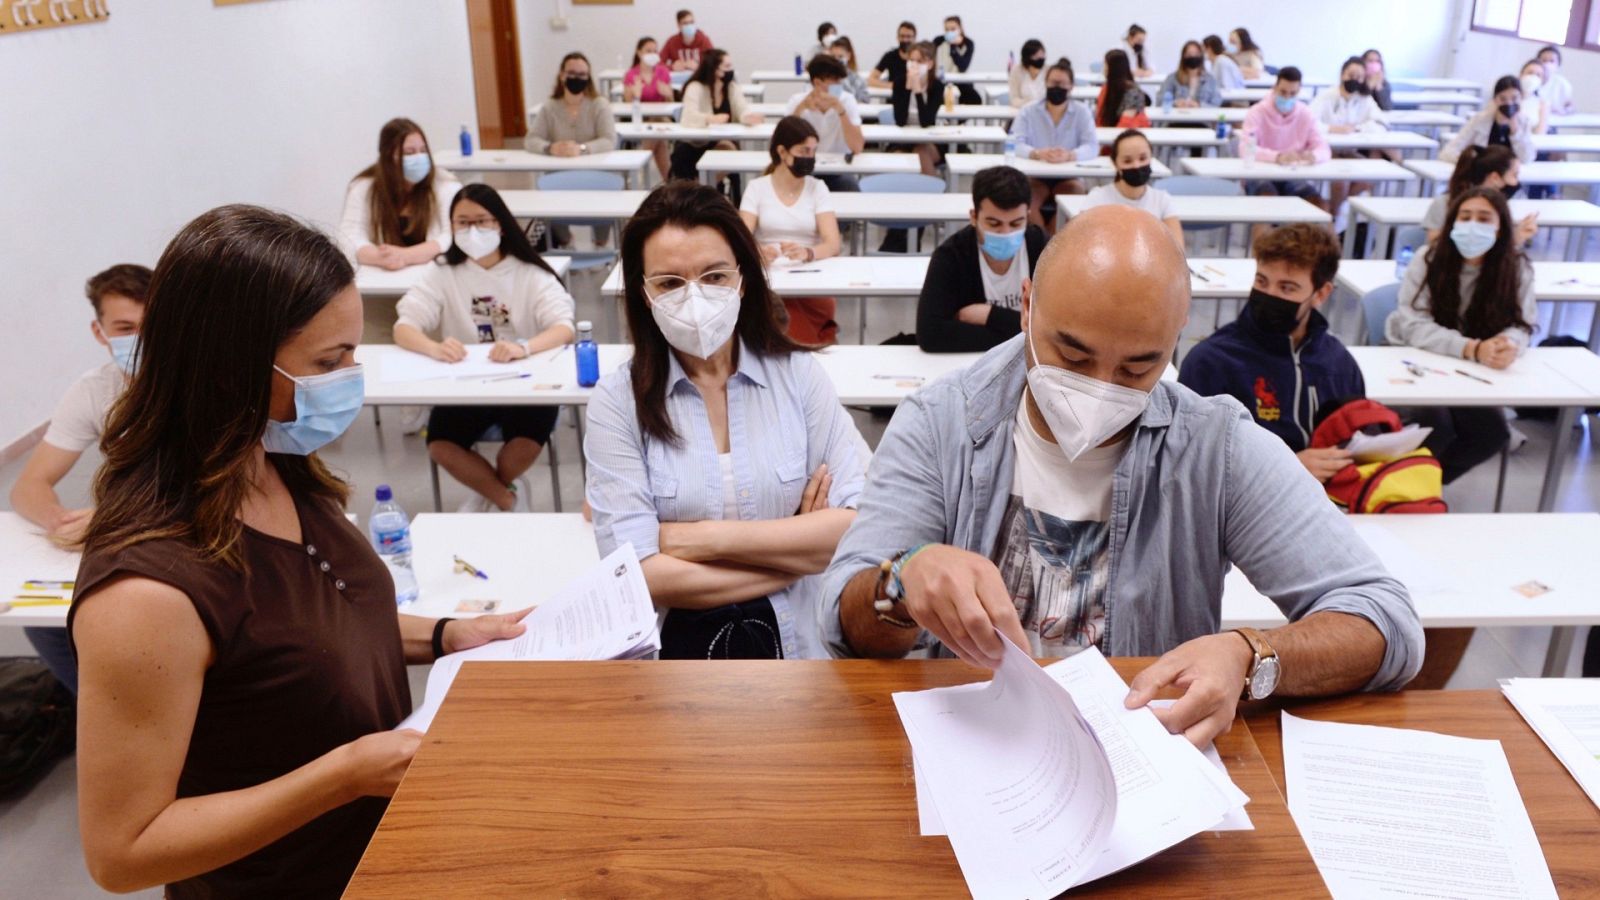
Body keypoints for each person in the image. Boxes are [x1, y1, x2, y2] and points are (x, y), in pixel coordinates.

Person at [820, 205, 1423, 751]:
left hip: (1139, 754)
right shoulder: (941, 423)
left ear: (1174, 343)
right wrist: (900, 581)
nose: (1100, 387)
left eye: (1138, 367)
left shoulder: (1214, 447)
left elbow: (1384, 620)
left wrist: (1249, 654)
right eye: (1073, 357)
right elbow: (845, 624)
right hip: (969, 742)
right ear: (1027, 306)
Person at [69, 204, 531, 897]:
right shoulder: (147, 594)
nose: (352, 374)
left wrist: (443, 634)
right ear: (231, 368)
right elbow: (123, 851)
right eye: (330, 359)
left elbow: (301, 626)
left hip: (377, 858)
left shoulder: (274, 464)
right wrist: (343, 777)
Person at [585, 181, 868, 660]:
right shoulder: (618, 401)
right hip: (680, 653)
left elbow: (859, 530)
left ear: (743, 278)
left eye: (714, 276)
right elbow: (639, 576)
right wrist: (797, 553)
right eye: (670, 283)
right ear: (644, 294)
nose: (694, 298)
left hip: (801, 646)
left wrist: (697, 539)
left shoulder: (798, 377)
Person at [10, 264, 150, 695]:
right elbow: (29, 486)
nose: (141, 340)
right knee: (49, 625)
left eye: (152, 325)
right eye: (124, 328)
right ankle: (107, 721)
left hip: (195, 532)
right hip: (130, 539)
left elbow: (218, 488)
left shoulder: (206, 383)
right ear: (99, 331)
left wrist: (115, 520)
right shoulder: (96, 390)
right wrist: (58, 521)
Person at [393, 184, 576, 512]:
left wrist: (524, 347)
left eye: (482, 221)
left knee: (520, 447)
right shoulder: (442, 273)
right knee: (440, 445)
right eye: (462, 222)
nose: (472, 230)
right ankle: (505, 497)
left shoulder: (529, 272)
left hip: (526, 384)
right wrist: (433, 347)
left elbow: (564, 327)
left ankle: (489, 490)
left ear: (500, 224)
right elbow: (404, 327)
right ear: (451, 226)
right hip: (467, 386)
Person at [1180, 224, 1361, 483]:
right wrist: (1286, 469)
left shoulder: (1340, 364)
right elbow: (1191, 465)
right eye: (1262, 281)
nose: (1269, 295)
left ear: (1321, 294)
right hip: (1247, 510)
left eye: (1287, 288)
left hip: (1332, 503)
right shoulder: (1211, 361)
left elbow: (1354, 441)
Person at [1385, 187, 1537, 483]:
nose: (1472, 225)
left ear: (1501, 227)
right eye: (1464, 217)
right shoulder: (1428, 258)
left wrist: (1508, 344)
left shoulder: (1516, 266)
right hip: (1417, 355)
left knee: (1491, 433)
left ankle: (1423, 488)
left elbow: (1523, 324)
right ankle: (1402, 489)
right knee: (1435, 425)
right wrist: (1470, 347)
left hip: (1473, 366)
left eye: (1483, 218)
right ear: (1452, 222)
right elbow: (1412, 323)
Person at [916, 165, 1048, 353]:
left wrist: (991, 316)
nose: (1005, 232)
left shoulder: (1042, 248)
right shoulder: (951, 256)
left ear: (1028, 217)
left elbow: (1061, 326)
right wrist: (1027, 331)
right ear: (974, 217)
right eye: (994, 224)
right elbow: (931, 334)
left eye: (1016, 223)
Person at [739, 117, 844, 344]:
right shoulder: (757, 188)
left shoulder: (818, 188)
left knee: (786, 322)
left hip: (809, 277)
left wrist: (808, 253)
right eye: (804, 150)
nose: (810, 158)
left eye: (813, 151)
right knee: (773, 309)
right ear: (782, 152)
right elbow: (741, 239)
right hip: (770, 277)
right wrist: (757, 252)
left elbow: (833, 243)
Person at [339, 118, 459, 271]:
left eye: (423, 151)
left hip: (432, 274)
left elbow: (452, 236)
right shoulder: (363, 188)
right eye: (409, 152)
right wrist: (380, 257)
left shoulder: (446, 185)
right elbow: (348, 238)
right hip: (384, 276)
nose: (419, 157)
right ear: (388, 157)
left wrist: (406, 255)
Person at [1241, 66, 1331, 244]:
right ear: (1274, 88)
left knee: (1319, 205)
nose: (1287, 97)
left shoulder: (1305, 114)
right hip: (1261, 175)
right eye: (1283, 92)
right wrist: (1277, 156)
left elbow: (1324, 149)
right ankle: (1261, 261)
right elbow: (1245, 148)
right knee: (1266, 202)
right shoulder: (1257, 112)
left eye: (1293, 93)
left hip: (1293, 175)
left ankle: (1322, 263)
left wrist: (1312, 156)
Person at [1008, 59, 1097, 230]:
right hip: (1035, 176)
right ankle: (1042, 243)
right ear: (1046, 84)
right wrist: (1037, 153)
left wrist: (1070, 155)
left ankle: (1052, 244)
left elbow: (1092, 146)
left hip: (1069, 176)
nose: (1057, 87)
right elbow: (1014, 142)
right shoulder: (1029, 110)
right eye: (1053, 83)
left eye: (1062, 84)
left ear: (1071, 86)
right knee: (1025, 206)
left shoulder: (1082, 112)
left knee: (1072, 207)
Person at [1310, 56, 1389, 231]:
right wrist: (1332, 128)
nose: (1354, 80)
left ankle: (1335, 206)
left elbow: (1381, 123)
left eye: (1359, 77)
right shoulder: (1327, 96)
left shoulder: (1364, 99)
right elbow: (1309, 122)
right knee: (1341, 181)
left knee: (1373, 175)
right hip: (1327, 151)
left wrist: (1357, 128)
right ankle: (1335, 216)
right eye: (1350, 74)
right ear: (1342, 75)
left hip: (1349, 149)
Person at [671, 49, 764, 184]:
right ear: (714, 69)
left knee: (729, 149)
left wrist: (747, 117)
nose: (730, 70)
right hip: (695, 143)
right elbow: (688, 116)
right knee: (683, 154)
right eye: (726, 67)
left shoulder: (731, 88)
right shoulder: (695, 87)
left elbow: (742, 108)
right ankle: (698, 188)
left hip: (719, 141)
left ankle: (701, 186)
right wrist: (709, 119)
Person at [1078, 130, 1183, 244]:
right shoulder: (1097, 199)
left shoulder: (1162, 200)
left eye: (1143, 158)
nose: (1136, 165)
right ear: (1115, 164)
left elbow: (1178, 248)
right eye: (1127, 161)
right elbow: (1081, 242)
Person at [1421, 145, 1537, 245]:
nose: (1516, 182)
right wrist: (1511, 240)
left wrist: (1514, 239)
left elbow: (1500, 257)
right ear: (1495, 178)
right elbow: (1435, 246)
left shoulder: (1499, 206)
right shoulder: (1443, 203)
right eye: (1514, 175)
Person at [784, 54, 865, 191]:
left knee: (850, 188)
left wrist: (841, 111)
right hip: (804, 169)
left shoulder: (847, 100)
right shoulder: (797, 101)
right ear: (817, 83)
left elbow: (857, 147)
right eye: (834, 82)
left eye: (840, 81)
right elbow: (784, 143)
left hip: (839, 171)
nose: (839, 86)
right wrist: (800, 109)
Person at [526, 52, 617, 159]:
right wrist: (550, 148)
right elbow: (531, 139)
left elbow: (609, 140)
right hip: (560, 168)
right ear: (562, 76)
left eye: (582, 74)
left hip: (594, 168)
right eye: (572, 73)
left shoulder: (600, 105)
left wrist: (582, 148)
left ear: (588, 78)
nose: (577, 78)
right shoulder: (550, 107)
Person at [1440, 76, 1537, 164]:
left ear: (1521, 98)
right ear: (1495, 100)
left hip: (1509, 177)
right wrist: (1472, 162)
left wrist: (1515, 132)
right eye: (1503, 99)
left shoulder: (1524, 122)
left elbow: (1527, 158)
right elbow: (1449, 151)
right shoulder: (1479, 120)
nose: (1509, 103)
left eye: (1514, 98)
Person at [623, 37, 676, 181]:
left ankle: (639, 167)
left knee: (658, 124)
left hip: (662, 119)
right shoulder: (631, 74)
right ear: (639, 53)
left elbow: (671, 102)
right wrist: (636, 95)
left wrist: (668, 94)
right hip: (642, 120)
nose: (652, 54)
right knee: (658, 138)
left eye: (655, 51)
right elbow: (627, 105)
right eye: (648, 51)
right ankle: (669, 180)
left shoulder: (663, 72)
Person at [1159, 40, 1220, 108]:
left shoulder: (1210, 79)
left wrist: (1199, 105)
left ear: (1201, 56)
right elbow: (1159, 100)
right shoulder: (1172, 78)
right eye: (1189, 54)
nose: (1193, 56)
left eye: (1196, 54)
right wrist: (1175, 103)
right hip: (1178, 117)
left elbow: (1216, 103)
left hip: (1202, 117)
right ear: (1183, 57)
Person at [934, 16, 981, 105]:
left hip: (961, 81)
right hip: (943, 81)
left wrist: (953, 47)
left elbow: (963, 67)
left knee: (974, 99)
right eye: (947, 30)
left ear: (960, 29)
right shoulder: (938, 41)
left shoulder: (968, 43)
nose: (949, 32)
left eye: (953, 29)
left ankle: (961, 118)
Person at [1096, 49, 1147, 128]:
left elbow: (1125, 123)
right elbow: (1100, 117)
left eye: (1105, 65)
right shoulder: (1106, 88)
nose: (1104, 69)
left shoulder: (1133, 92)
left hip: (1129, 135)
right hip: (1107, 132)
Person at [870, 21, 917, 91]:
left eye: (908, 36)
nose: (905, 40)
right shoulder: (890, 56)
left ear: (914, 38)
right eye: (902, 36)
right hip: (893, 97)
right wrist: (894, 85)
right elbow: (871, 80)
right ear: (897, 37)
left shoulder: (921, 57)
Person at [1535, 45, 1576, 116]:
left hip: (1553, 121)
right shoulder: (1531, 80)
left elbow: (1570, 106)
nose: (1547, 64)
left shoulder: (1562, 83)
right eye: (1544, 60)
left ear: (1558, 65)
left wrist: (1565, 110)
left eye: (1552, 61)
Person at [829, 36, 872, 103]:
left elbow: (865, 100)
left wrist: (842, 79)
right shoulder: (823, 78)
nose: (836, 60)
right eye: (833, 57)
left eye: (840, 57)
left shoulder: (857, 79)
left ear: (848, 56)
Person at [1008, 39, 1049, 108]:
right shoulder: (1016, 71)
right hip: (1022, 112)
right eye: (1036, 56)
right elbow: (1014, 99)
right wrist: (1029, 103)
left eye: (1042, 55)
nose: (1040, 58)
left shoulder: (1048, 70)